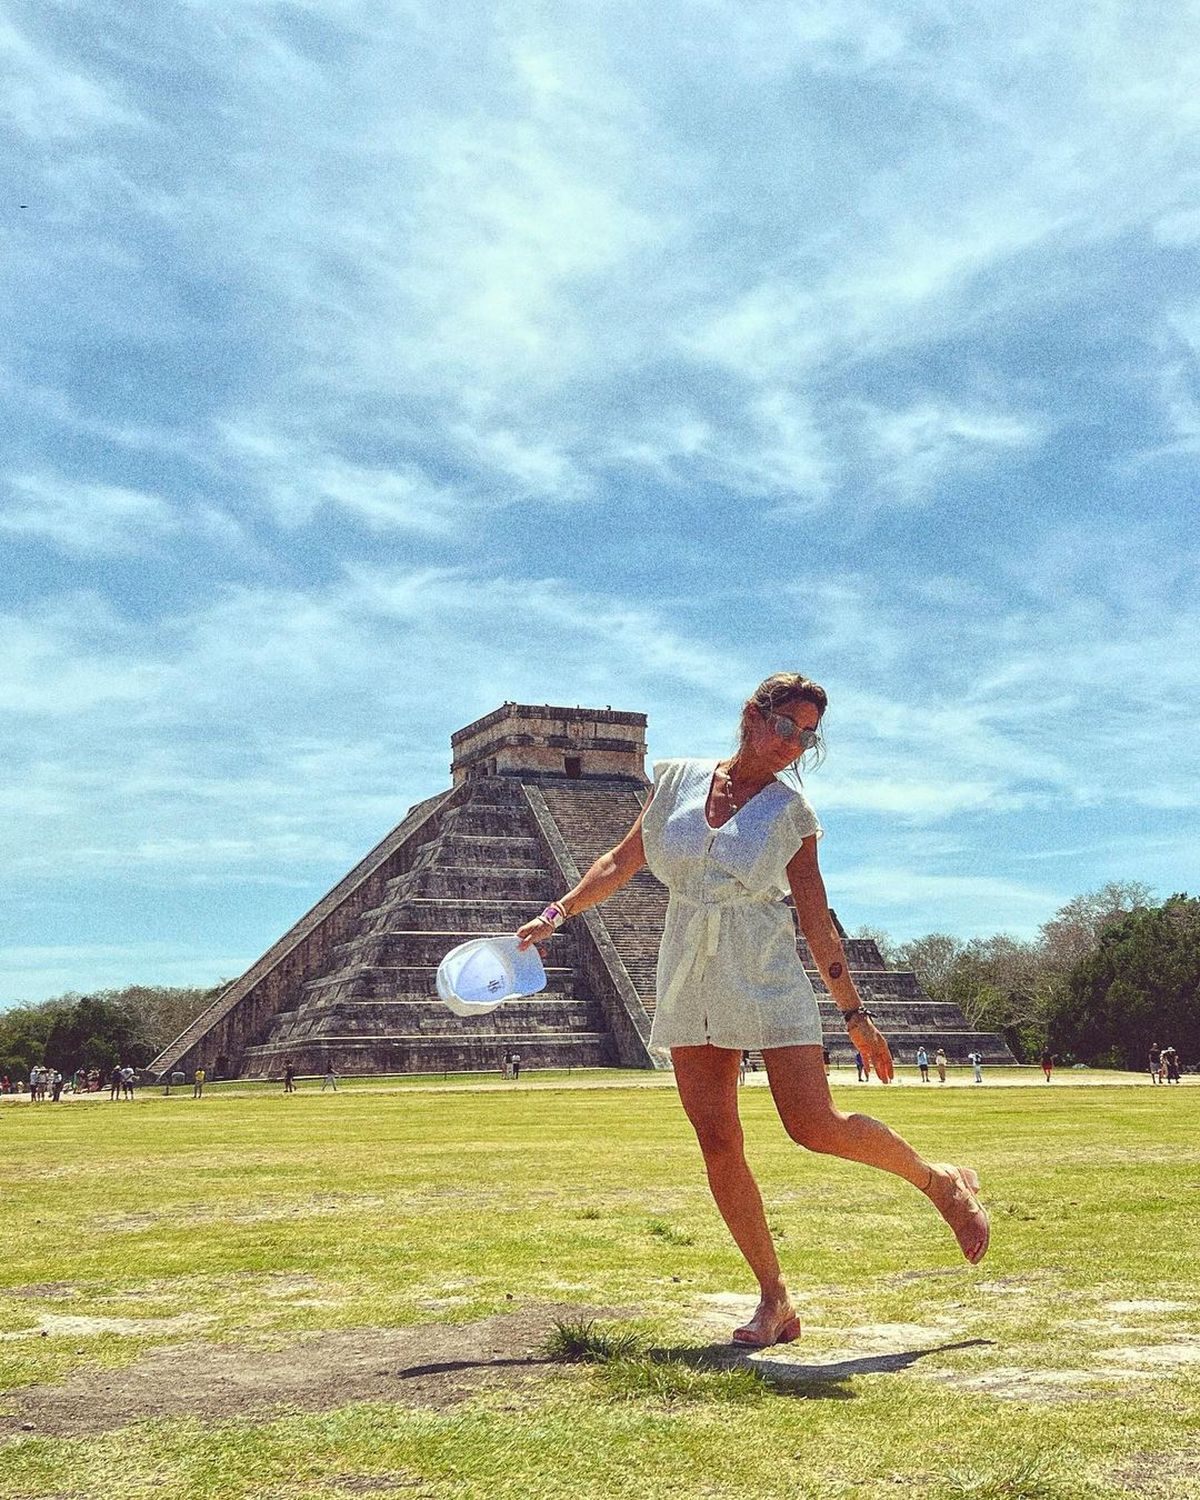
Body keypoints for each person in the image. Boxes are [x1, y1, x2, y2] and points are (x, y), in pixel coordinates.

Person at [516, 672, 989, 1349]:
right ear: (751, 715)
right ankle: (775, 1298)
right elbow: (620, 862)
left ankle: (940, 1184)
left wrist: (855, 1015)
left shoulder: (793, 814)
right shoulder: (676, 779)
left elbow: (818, 920)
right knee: (718, 1143)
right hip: (688, 969)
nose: (791, 744)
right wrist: (556, 913)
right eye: (785, 726)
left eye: (806, 737)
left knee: (815, 1125)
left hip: (764, 971)